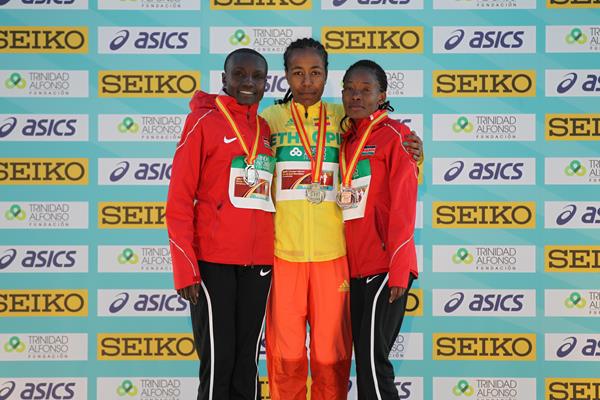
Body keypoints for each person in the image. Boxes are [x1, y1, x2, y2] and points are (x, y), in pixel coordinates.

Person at [260, 39, 423, 400]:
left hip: (335, 258)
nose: (306, 82)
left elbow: (385, 161)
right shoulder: (268, 121)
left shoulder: (344, 120)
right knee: (284, 356)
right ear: (285, 76)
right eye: (298, 73)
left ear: (326, 76)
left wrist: (416, 153)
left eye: (315, 73)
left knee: (331, 358)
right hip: (282, 255)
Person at [166, 48, 276, 400]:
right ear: (223, 79)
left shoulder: (264, 128)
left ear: (265, 82)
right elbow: (179, 199)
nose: (248, 82)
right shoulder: (203, 122)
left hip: (259, 263)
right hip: (213, 262)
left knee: (247, 362)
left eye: (257, 77)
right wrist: (185, 269)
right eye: (239, 75)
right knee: (218, 361)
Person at [340, 60, 418, 400]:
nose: (356, 96)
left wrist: (399, 270)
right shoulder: (343, 140)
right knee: (367, 362)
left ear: (381, 95)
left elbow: (403, 207)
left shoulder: (397, 136)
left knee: (373, 362)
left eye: (365, 90)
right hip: (354, 269)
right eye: (350, 89)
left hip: (386, 267)